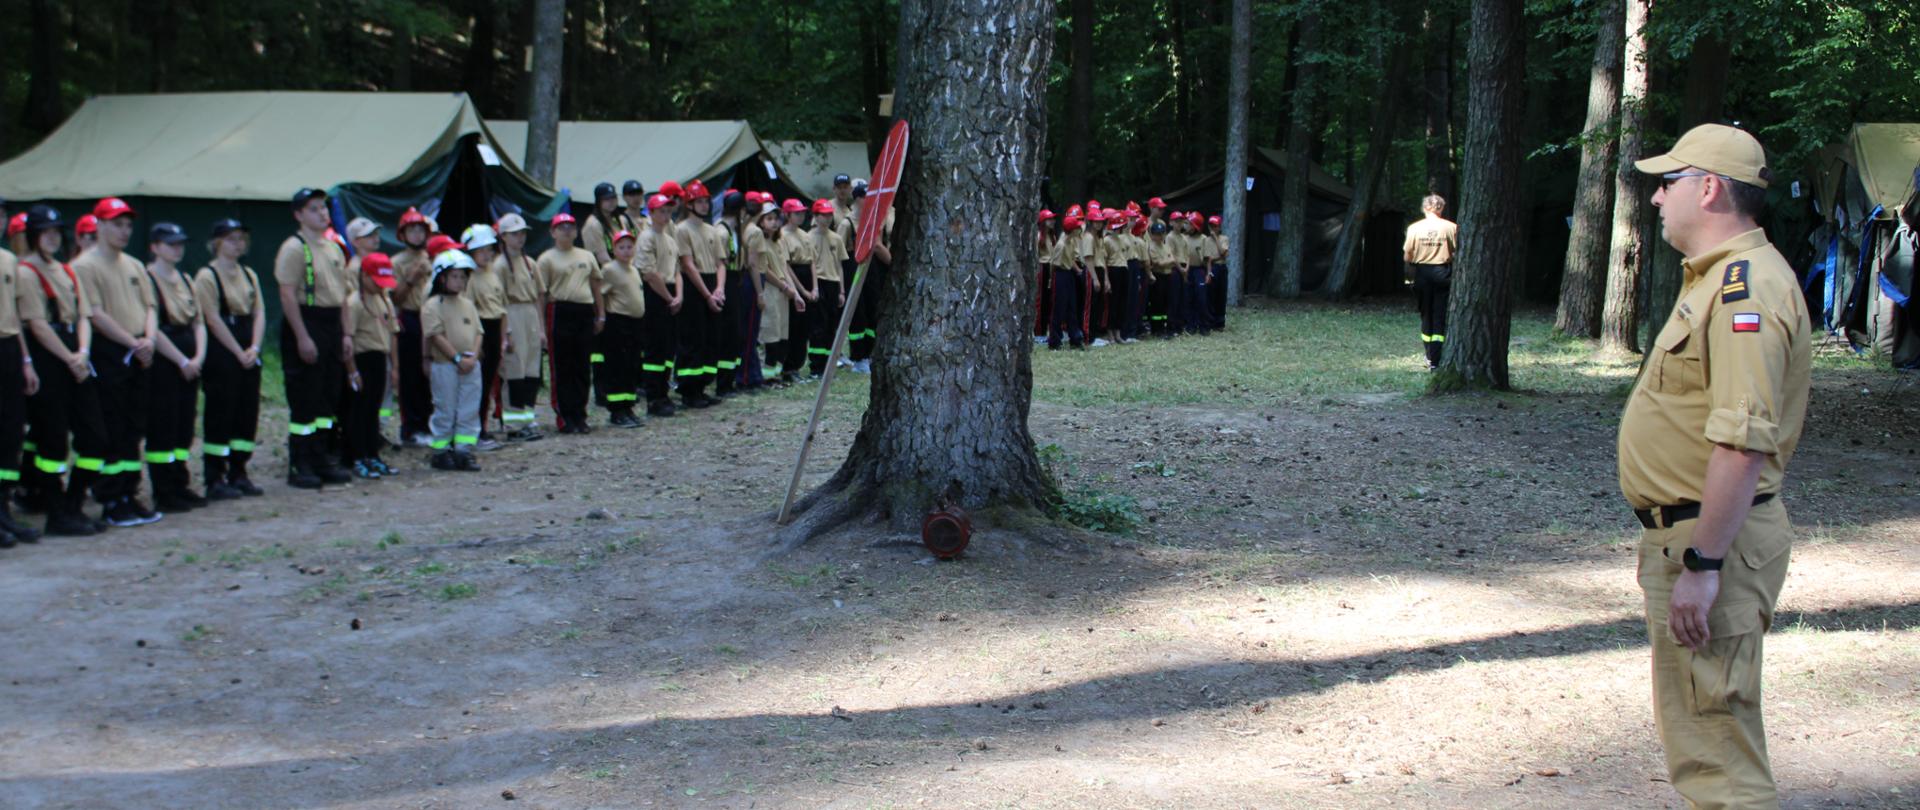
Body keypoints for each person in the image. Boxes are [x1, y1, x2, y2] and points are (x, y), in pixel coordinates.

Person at [1619, 124, 1810, 810]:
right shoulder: (1720, 279)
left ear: (1707, 189)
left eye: (1667, 183)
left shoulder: (1743, 291)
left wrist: (1703, 565)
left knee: (1719, 760)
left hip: (1711, 543)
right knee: (1705, 743)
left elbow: (1741, 443)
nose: (1656, 198)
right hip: (1694, 537)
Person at [72, 197, 162, 526]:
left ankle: (129, 491)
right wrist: (132, 342)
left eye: (127, 225)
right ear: (99, 225)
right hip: (110, 351)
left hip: (139, 352)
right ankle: (110, 498)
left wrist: (148, 340)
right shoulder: (85, 266)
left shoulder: (135, 265)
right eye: (116, 224)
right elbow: (94, 313)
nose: (124, 231)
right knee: (112, 425)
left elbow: (150, 306)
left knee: (134, 426)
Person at [18, 207, 108, 536]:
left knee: (96, 437)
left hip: (75, 352)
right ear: (33, 235)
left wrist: (82, 353)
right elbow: (37, 325)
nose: (53, 237)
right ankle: (56, 511)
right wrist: (70, 358)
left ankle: (74, 503)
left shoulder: (68, 270)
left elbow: (84, 315)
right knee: (52, 441)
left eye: (57, 231)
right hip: (49, 356)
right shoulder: (26, 272)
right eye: (46, 231)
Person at [276, 187, 355, 489]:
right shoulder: (294, 248)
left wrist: (346, 333)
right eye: (314, 209)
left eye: (324, 208)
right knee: (305, 396)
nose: (322, 213)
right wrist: (302, 336)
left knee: (328, 395)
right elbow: (287, 294)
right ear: (299, 215)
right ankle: (301, 463)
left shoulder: (333, 248)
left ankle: (322, 458)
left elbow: (343, 294)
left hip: (332, 324)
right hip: (308, 321)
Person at [193, 219, 266, 498]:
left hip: (248, 344)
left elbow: (259, 312)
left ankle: (239, 471)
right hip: (223, 349)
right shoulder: (207, 276)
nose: (239, 244)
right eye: (232, 239)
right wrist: (238, 352)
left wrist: (255, 347)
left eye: (241, 239)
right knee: (220, 412)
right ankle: (215, 477)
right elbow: (212, 318)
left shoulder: (249, 274)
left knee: (247, 412)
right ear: (217, 243)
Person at [143, 223, 208, 512]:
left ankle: (180, 483)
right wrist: (181, 360)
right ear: (155, 247)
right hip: (165, 361)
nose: (177, 249)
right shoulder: (147, 279)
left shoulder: (186, 279)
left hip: (189, 359)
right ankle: (164, 490)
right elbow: (152, 327)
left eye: (180, 243)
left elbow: (199, 322)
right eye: (171, 244)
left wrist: (197, 358)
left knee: (184, 424)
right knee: (163, 424)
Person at [422, 250, 485, 470]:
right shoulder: (433, 305)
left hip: (470, 365)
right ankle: (440, 451)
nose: (460, 281)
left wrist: (473, 357)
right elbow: (436, 336)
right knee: (445, 408)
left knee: (469, 408)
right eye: (455, 276)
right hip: (446, 365)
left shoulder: (467, 304)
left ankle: (463, 450)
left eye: (463, 277)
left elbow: (478, 332)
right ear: (442, 278)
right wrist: (457, 358)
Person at [537, 212, 600, 433]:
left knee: (582, 365)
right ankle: (564, 416)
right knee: (562, 366)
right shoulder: (546, 259)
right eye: (561, 227)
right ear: (552, 232)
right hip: (559, 310)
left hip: (584, 310)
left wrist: (600, 314)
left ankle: (580, 414)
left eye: (570, 227)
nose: (566, 231)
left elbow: (596, 286)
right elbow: (541, 295)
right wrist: (541, 326)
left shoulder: (586, 256)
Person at [0, 204, 39, 546]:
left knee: (11, 433)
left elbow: (14, 315)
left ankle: (4, 509)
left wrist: (26, 361)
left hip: (9, 348)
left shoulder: (8, 261)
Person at [344, 252, 399, 479]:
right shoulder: (354, 303)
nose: (380, 286)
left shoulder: (385, 300)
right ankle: (357, 457)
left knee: (373, 410)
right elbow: (347, 340)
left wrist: (395, 367)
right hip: (361, 359)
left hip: (379, 359)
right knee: (359, 410)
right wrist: (352, 371)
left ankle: (373, 455)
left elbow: (392, 334)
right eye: (376, 281)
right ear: (364, 276)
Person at [674, 181, 726, 408]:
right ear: (689, 204)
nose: (705, 205)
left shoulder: (712, 230)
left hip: (712, 283)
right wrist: (707, 295)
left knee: (710, 339)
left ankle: (703, 386)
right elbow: (688, 265)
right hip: (694, 286)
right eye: (700, 201)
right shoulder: (682, 229)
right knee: (692, 339)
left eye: (706, 201)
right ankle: (689, 390)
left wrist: (719, 288)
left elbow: (721, 263)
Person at [494, 214, 545, 440]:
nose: (520, 238)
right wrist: (506, 332)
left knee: (532, 369)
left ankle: (527, 416)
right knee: (514, 369)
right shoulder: (500, 265)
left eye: (522, 233)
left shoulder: (529, 263)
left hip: (529, 312)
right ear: (504, 237)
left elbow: (539, 296)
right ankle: (513, 424)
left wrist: (541, 328)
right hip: (512, 311)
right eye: (514, 234)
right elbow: (499, 300)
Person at [388, 207, 435, 445]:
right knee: (411, 375)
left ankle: (430, 423)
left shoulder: (433, 258)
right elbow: (394, 299)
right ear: (402, 234)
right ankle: (412, 427)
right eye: (412, 230)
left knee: (431, 373)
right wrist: (411, 279)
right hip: (409, 318)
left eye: (421, 230)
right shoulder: (396, 262)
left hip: (433, 319)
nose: (417, 234)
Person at [635, 196, 684, 416]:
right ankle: (653, 397)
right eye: (662, 211)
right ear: (652, 213)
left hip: (671, 293)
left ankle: (664, 393)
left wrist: (678, 296)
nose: (666, 216)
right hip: (655, 295)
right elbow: (649, 274)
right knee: (655, 348)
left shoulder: (670, 240)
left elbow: (677, 270)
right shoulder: (646, 238)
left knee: (668, 347)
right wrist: (668, 297)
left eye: (669, 211)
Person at [460, 224, 506, 450]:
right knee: (475, 386)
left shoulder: (493, 274)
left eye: (489, 249)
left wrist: (504, 338)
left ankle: (482, 427)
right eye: (481, 250)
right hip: (480, 332)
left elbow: (502, 308)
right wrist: (474, 344)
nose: (486, 254)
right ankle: (473, 431)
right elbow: (468, 313)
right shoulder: (469, 278)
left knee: (487, 384)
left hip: (494, 329)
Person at [595, 229, 646, 427]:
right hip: (618, 322)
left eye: (629, 246)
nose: (626, 250)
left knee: (632, 365)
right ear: (614, 249)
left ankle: (628, 405)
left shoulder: (634, 269)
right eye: (621, 247)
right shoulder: (609, 270)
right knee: (618, 366)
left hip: (635, 323)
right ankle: (617, 410)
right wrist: (601, 315)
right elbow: (599, 293)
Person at [1403, 194, 1458, 370]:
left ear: (1424, 208)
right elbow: (1458, 251)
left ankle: (1429, 356)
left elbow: (1407, 255)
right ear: (1441, 208)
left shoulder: (1414, 228)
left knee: (1426, 314)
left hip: (1422, 274)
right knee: (1440, 315)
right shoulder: (1452, 227)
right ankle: (1437, 357)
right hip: (1444, 274)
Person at [749, 199, 800, 385]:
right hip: (770, 289)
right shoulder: (760, 240)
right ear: (761, 221)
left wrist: (795, 292)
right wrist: (784, 287)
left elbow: (784, 267)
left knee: (782, 335)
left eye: (776, 218)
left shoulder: (778, 241)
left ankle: (777, 375)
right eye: (768, 218)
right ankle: (767, 377)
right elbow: (764, 269)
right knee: (769, 335)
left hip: (783, 292)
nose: (774, 222)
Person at [806, 199, 849, 375]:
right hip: (818, 282)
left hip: (833, 284)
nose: (827, 218)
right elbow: (809, 264)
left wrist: (841, 291)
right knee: (818, 326)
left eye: (829, 215)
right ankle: (816, 366)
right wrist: (814, 288)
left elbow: (840, 265)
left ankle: (829, 363)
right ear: (815, 217)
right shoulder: (808, 238)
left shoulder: (836, 238)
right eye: (823, 215)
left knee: (832, 325)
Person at [1049, 213, 1086, 350]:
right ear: (1072, 230)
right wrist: (1052, 281)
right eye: (1077, 228)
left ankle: (1075, 338)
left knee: (1072, 307)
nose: (1079, 230)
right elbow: (1054, 264)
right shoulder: (1062, 244)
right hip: (1061, 275)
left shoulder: (1071, 242)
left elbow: (1071, 260)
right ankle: (1055, 340)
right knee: (1059, 308)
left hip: (1069, 274)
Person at [581, 182, 638, 267]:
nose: (611, 201)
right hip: (605, 271)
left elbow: (630, 247)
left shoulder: (620, 220)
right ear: (598, 201)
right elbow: (603, 259)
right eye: (606, 199)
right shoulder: (593, 224)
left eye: (613, 197)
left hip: (624, 267)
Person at [1207, 214, 1229, 331]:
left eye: (1215, 226)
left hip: (1221, 268)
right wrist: (1214, 259)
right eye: (1211, 226)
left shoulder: (1224, 238)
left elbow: (1223, 253)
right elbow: (1207, 258)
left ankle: (1220, 322)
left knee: (1221, 294)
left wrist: (1215, 238)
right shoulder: (1206, 240)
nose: (1213, 228)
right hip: (1211, 268)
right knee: (1211, 294)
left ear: (1219, 227)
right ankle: (1210, 321)